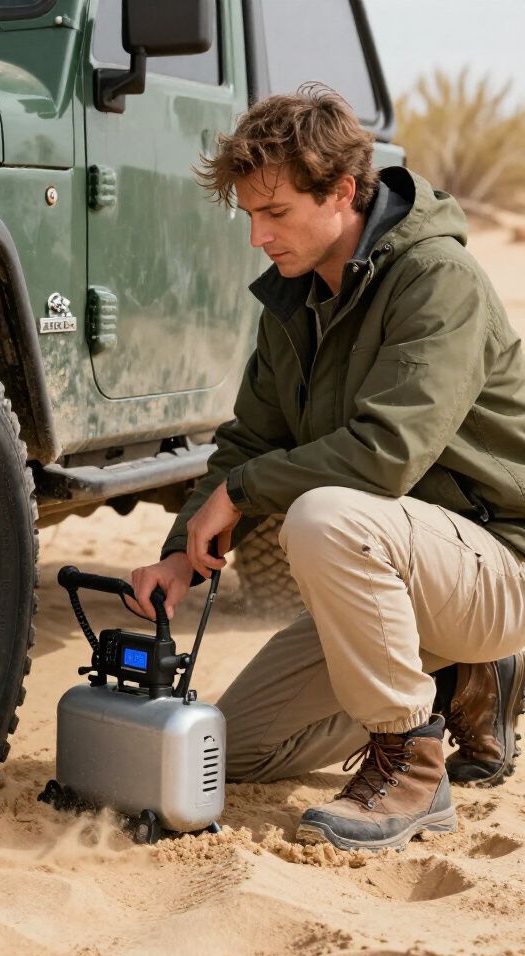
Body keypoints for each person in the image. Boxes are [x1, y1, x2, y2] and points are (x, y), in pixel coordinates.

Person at [127, 84, 525, 853]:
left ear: (342, 191)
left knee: (324, 516)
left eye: (274, 214)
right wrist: (183, 553)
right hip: (402, 573)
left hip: (499, 565)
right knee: (228, 751)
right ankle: (458, 681)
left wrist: (242, 495)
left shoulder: (439, 281)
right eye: (249, 215)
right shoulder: (299, 300)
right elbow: (250, 439)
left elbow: (384, 457)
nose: (257, 237)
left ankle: (412, 767)